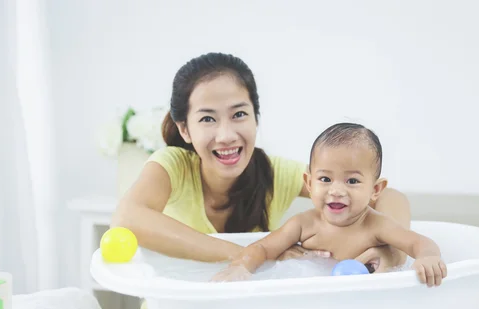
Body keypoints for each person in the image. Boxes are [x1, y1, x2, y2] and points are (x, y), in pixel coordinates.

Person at [111, 52, 411, 270]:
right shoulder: (173, 165)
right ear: (185, 129)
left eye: (239, 114)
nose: (226, 135)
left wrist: (392, 254)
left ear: (256, 117)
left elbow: (390, 197)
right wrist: (253, 253)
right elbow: (128, 218)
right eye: (207, 119)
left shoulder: (275, 172)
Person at [211, 123, 447, 287]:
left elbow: (420, 243)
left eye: (352, 181)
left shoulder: (376, 225)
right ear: (309, 182)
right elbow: (262, 249)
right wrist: (240, 267)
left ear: (375, 190)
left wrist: (427, 257)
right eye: (325, 179)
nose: (336, 190)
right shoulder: (305, 224)